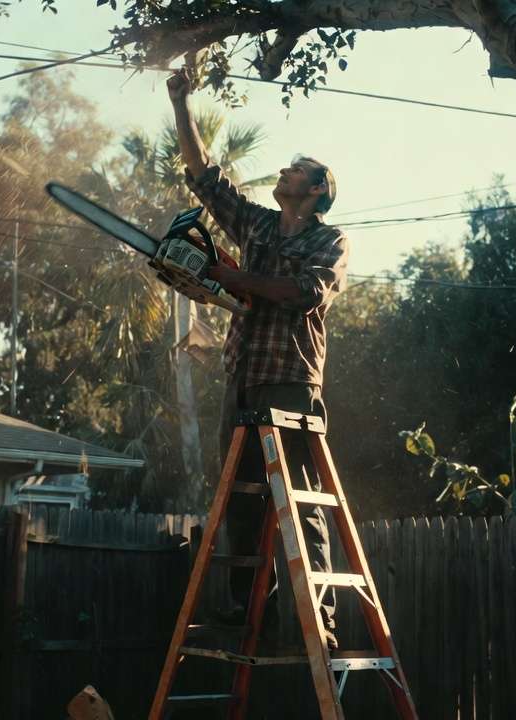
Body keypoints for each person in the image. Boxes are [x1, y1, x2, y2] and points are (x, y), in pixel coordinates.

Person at [167, 68, 349, 650]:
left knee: (299, 502)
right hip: (243, 380)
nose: (285, 171)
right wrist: (181, 103)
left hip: (290, 385)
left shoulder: (330, 240)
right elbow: (208, 181)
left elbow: (303, 293)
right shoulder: (260, 225)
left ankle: (315, 614)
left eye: (297, 169)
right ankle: (253, 611)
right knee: (244, 505)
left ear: (317, 189)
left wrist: (235, 277)